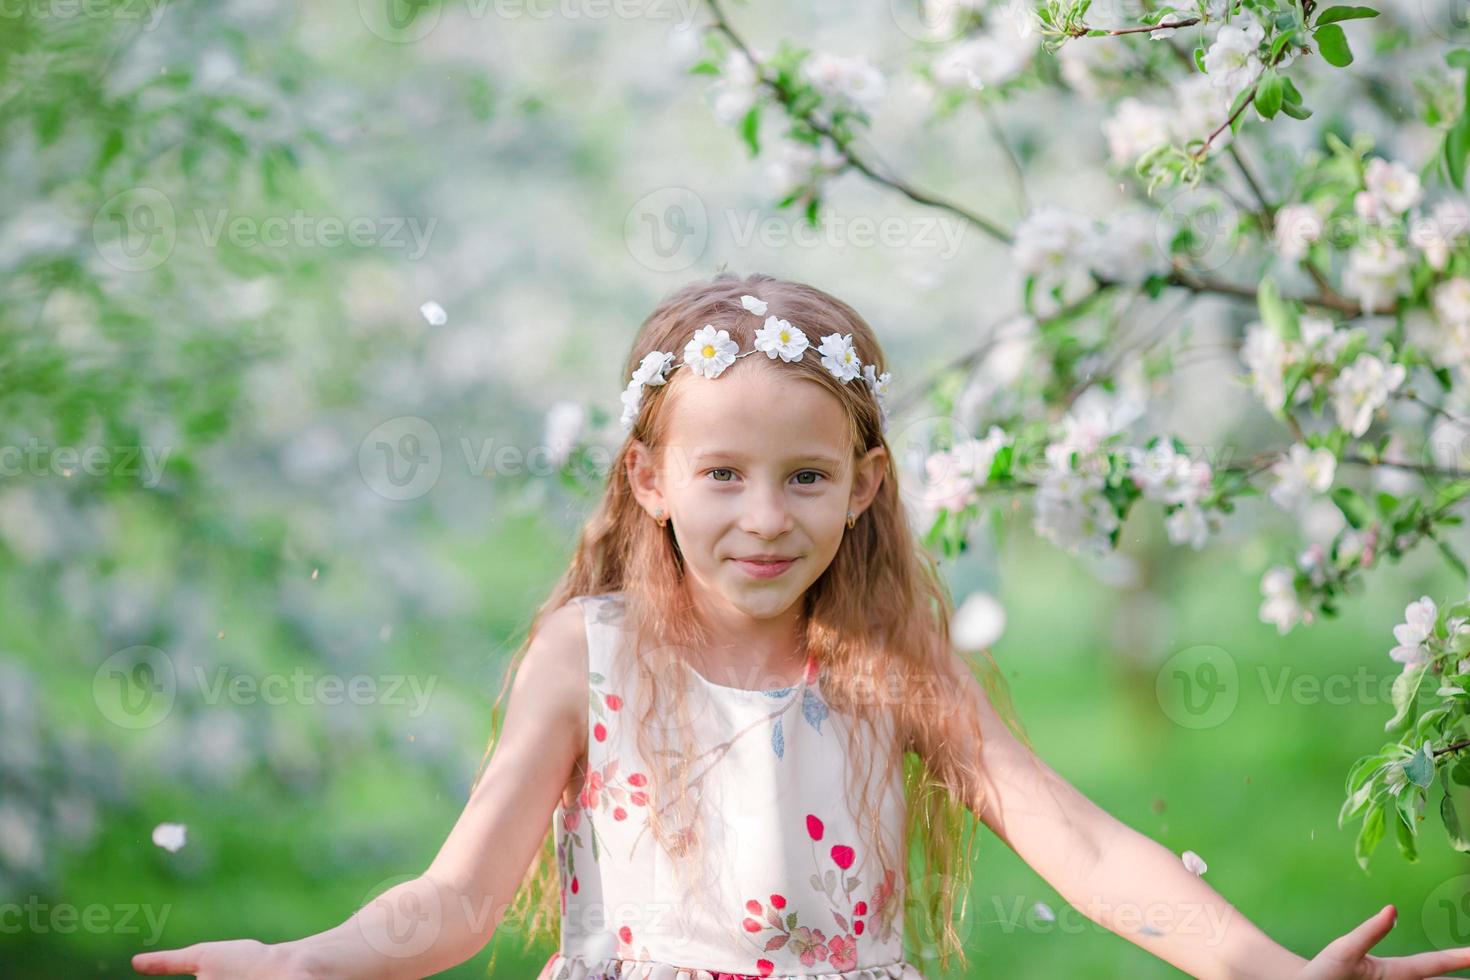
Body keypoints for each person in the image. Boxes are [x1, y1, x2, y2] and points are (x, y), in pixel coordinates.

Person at [133, 272, 1470, 980]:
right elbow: (458, 897)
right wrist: (310, 959)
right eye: (720, 474)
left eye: (805, 477)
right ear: (649, 481)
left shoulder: (887, 666)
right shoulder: (586, 657)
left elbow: (1076, 840)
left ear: (863, 487)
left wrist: (1258, 969)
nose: (762, 517)